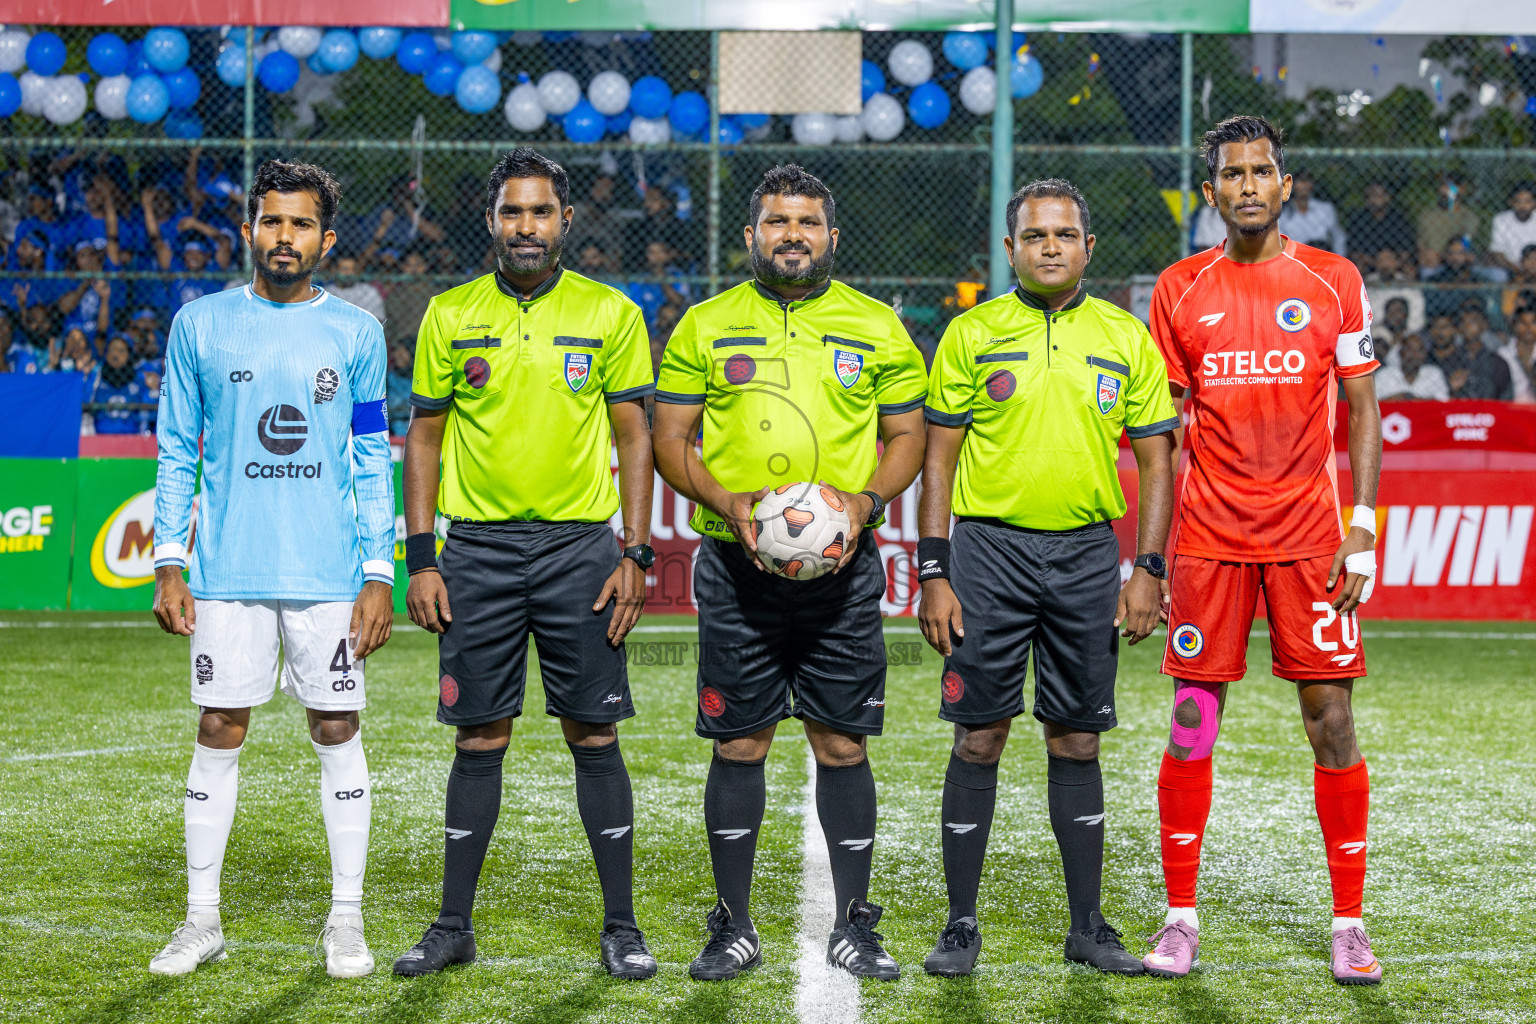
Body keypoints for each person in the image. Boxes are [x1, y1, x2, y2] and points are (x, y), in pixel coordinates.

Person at [652, 164, 928, 982]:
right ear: (751, 235)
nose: (793, 235)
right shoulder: (705, 324)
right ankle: (732, 924)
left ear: (832, 237)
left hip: (843, 573)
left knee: (842, 743)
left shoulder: (876, 325)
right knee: (740, 742)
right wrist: (729, 500)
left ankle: (854, 923)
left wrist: (866, 499)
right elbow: (672, 439)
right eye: (777, 222)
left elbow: (907, 437)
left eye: (808, 223)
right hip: (737, 569)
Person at [392, 148, 658, 981]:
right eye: (513, 213)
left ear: (566, 221)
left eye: (541, 213)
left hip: (580, 549)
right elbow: (425, 438)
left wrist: (636, 552)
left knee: (593, 731)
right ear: (492, 221)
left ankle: (621, 926)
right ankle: (452, 926)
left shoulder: (611, 313)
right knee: (479, 735)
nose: (527, 227)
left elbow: (634, 438)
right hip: (476, 552)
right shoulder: (448, 314)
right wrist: (423, 557)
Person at [915, 179, 1178, 978]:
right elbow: (937, 458)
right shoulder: (972, 333)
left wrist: (1148, 568)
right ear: (1011, 250)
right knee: (981, 735)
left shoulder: (1126, 337)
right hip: (988, 555)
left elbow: (1158, 459)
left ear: (1089, 247)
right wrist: (935, 568)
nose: (1051, 246)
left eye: (1066, 234)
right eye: (1036, 236)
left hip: (1088, 557)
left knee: (1076, 735)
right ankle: (961, 924)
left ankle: (1088, 927)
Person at [1144, 116, 1384, 986]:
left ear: (1286, 186)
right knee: (1191, 727)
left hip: (1310, 543)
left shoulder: (1333, 280)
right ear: (1210, 192)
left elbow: (1362, 411)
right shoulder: (1178, 288)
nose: (1248, 185)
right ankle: (1180, 919)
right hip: (1209, 543)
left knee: (1332, 723)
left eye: (1262, 171)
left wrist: (1363, 528)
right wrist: (1155, 559)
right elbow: (1159, 435)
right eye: (1232, 174)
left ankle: (1349, 924)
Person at [147, 159, 396, 979]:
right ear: (249, 229)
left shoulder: (356, 331)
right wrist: (171, 563)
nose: (283, 237)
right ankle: (201, 920)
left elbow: (369, 456)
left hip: (328, 576)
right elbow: (178, 448)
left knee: (336, 728)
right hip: (227, 573)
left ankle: (347, 921)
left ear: (326, 239)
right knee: (220, 726)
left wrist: (377, 573)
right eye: (270, 221)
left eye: (300, 225)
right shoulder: (201, 324)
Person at [1346, 182, 1414, 274]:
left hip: (1394, 262)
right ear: (1367, 199)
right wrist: (1376, 262)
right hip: (1369, 262)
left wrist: (1394, 262)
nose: (1378, 198)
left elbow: (1406, 250)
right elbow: (1354, 252)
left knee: (1410, 269)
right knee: (1357, 266)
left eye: (1381, 194)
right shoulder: (1359, 219)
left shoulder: (1398, 218)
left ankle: (1411, 288)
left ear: (1388, 197)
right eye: (1374, 195)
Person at [1446, 307, 1513, 400]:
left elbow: (1507, 399)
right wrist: (1452, 390)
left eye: (1472, 321)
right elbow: (1441, 399)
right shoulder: (1451, 360)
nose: (1466, 326)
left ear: (1483, 326)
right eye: (1463, 322)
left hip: (1490, 412)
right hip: (1459, 412)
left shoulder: (1497, 363)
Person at [91, 334, 150, 434]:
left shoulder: (139, 378)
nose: (116, 354)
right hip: (100, 437)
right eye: (113, 349)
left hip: (133, 437)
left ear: (129, 354)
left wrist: (152, 391)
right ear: (106, 353)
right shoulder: (96, 376)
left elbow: (149, 414)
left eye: (121, 350)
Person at [1278, 170, 1346, 255]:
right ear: (1291, 186)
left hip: (1323, 256)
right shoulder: (1284, 215)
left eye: (1307, 181)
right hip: (1298, 259)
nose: (1304, 186)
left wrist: (1340, 260)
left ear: (1312, 185)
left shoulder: (1325, 209)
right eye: (1300, 181)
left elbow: (1338, 237)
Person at [1374, 331, 1448, 401]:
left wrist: (1414, 400)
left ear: (1425, 354)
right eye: (1409, 349)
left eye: (1419, 350)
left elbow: (1443, 404)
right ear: (1400, 352)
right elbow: (1372, 405)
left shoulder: (1434, 374)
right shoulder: (1384, 375)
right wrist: (1397, 399)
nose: (1414, 355)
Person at [384, 249, 436, 345]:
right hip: (403, 342)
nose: (414, 270)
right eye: (409, 265)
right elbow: (390, 328)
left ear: (425, 266)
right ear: (403, 267)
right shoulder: (395, 296)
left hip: (430, 340)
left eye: (418, 265)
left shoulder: (436, 293)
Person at [1489, 183, 1536, 276]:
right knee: (1498, 275)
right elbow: (1498, 252)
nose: (1522, 206)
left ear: (1534, 203)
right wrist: (1514, 268)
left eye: (1527, 201)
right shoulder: (1501, 220)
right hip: (1510, 268)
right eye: (1518, 202)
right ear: (1511, 203)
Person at [326, 253, 386, 323]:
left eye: (353, 269)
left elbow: (378, 320)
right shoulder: (326, 292)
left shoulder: (369, 292)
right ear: (334, 270)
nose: (349, 273)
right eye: (345, 269)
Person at [1500, 306, 1536, 402]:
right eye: (1523, 323)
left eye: (1533, 322)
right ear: (1514, 326)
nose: (1528, 328)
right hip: (1511, 409)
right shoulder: (1503, 355)